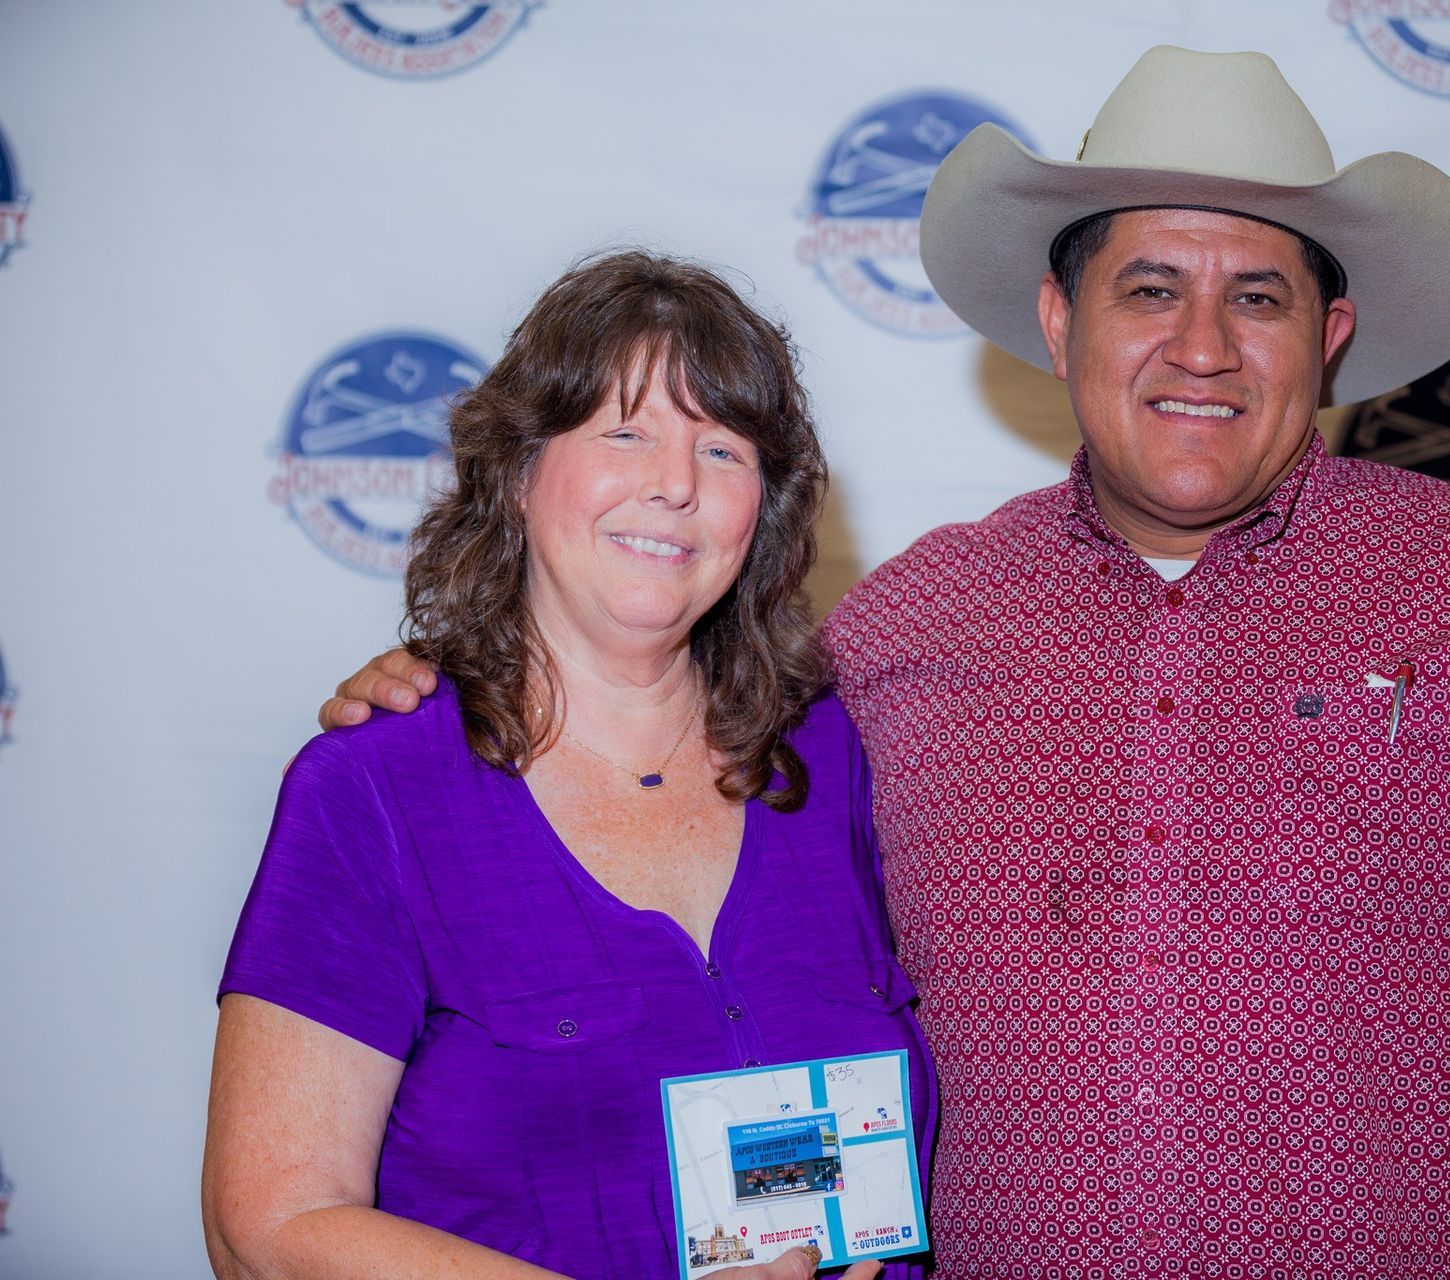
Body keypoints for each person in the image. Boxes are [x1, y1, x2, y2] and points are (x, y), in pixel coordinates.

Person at [320, 48, 1450, 1279]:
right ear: (1062, 323)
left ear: (1331, 336)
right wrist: (473, 683)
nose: (1201, 346)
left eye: (1257, 296)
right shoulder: (901, 631)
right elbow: (668, 744)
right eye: (1147, 287)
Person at [204, 251, 931, 1280]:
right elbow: (268, 1230)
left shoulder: (831, 756)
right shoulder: (374, 788)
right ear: (516, 470)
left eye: (721, 449)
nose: (675, 484)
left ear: (762, 509)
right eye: (624, 431)